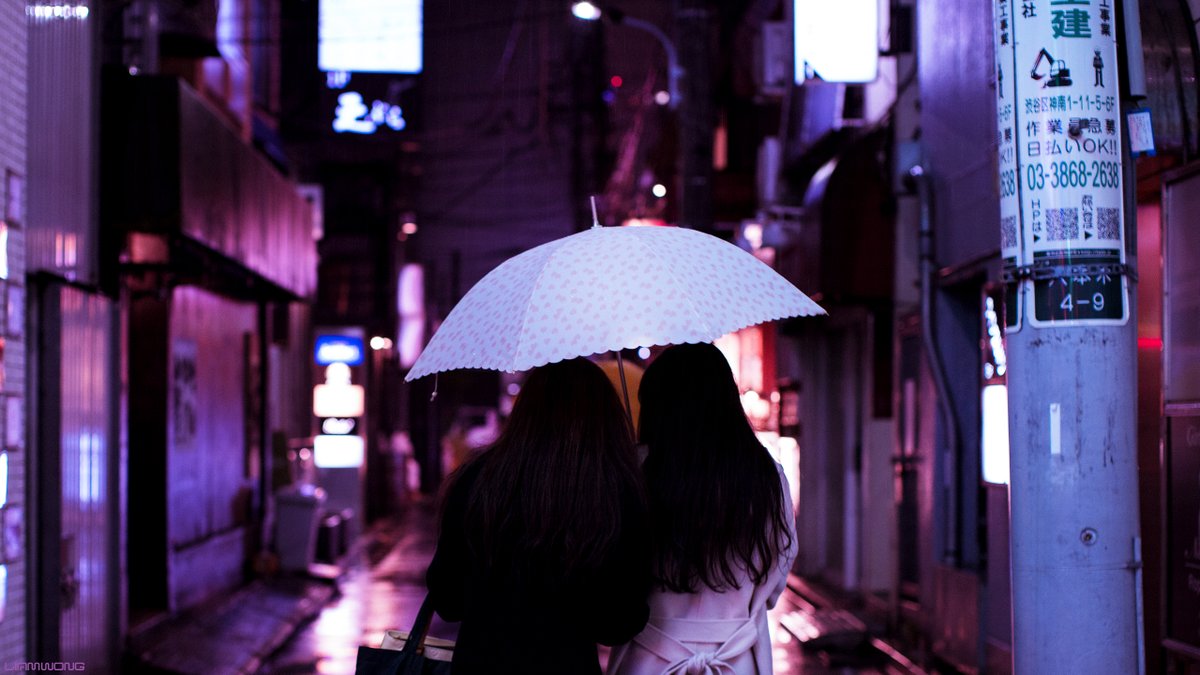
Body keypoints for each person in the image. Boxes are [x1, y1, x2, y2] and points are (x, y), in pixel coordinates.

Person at [426, 357, 652, 675]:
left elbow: (447, 599)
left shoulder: (476, 479)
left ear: (525, 411)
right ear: (605, 417)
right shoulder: (613, 490)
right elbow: (616, 623)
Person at [608, 342, 798, 675]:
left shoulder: (636, 473)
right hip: (736, 662)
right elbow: (776, 576)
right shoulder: (767, 476)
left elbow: (617, 574)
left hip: (647, 662)